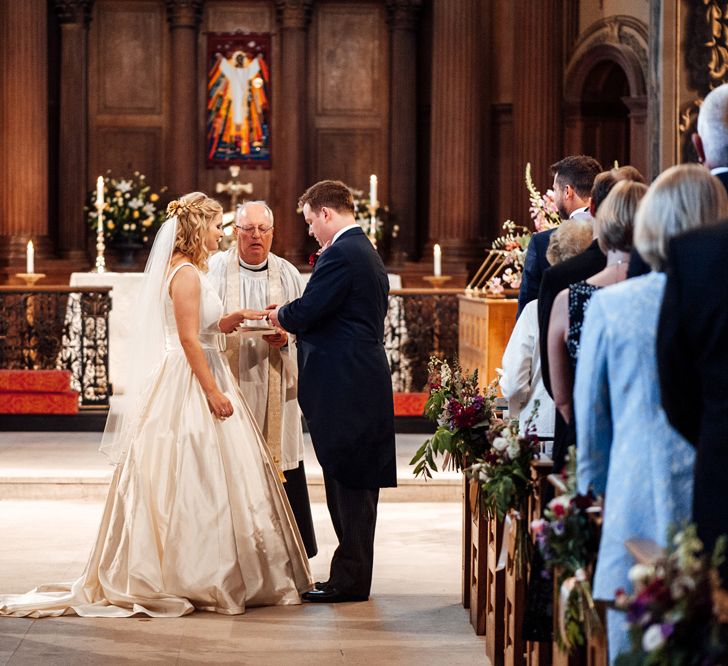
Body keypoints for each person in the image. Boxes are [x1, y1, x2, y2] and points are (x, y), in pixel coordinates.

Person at [0, 192, 312, 618]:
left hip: (201, 367)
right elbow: (187, 340)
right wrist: (213, 392)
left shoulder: (194, 271)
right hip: (189, 380)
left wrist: (230, 319)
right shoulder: (184, 273)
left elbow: (202, 327)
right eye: (218, 225)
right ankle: (188, 573)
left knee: (205, 475)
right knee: (189, 471)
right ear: (198, 228)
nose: (222, 234)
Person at [576, 165, 728, 663]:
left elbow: (592, 419)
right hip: (712, 485)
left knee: (640, 638)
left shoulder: (614, 306)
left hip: (638, 489)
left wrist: (588, 496)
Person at [267, 180, 396, 603]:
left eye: (309, 222)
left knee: (351, 483)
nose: (309, 232)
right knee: (348, 482)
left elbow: (309, 309)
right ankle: (349, 575)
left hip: (348, 385)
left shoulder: (343, 252)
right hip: (353, 380)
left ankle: (350, 581)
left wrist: (279, 314)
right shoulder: (358, 249)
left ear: (326, 213)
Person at [208, 200, 317, 558]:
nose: (255, 236)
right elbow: (198, 325)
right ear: (234, 232)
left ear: (273, 233)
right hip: (229, 383)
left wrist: (288, 338)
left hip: (276, 380)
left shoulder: (287, 274)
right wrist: (225, 323)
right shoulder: (215, 269)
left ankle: (285, 553)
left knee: (280, 457)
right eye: (247, 229)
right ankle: (229, 551)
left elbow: (309, 326)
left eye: (262, 230)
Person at [537, 166, 645, 471]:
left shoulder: (565, 285)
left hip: (582, 437)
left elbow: (557, 387)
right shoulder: (665, 284)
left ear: (597, 211)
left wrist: (588, 430)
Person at [500, 217, 593, 442]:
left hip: (539, 425)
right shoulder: (600, 301)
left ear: (553, 259)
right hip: (587, 424)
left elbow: (514, 383)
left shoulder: (535, 309)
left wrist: (513, 411)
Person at [516, 155, 602, 317]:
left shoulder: (542, 242)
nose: (554, 196)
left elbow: (527, 309)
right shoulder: (614, 238)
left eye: (555, 189)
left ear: (567, 191)